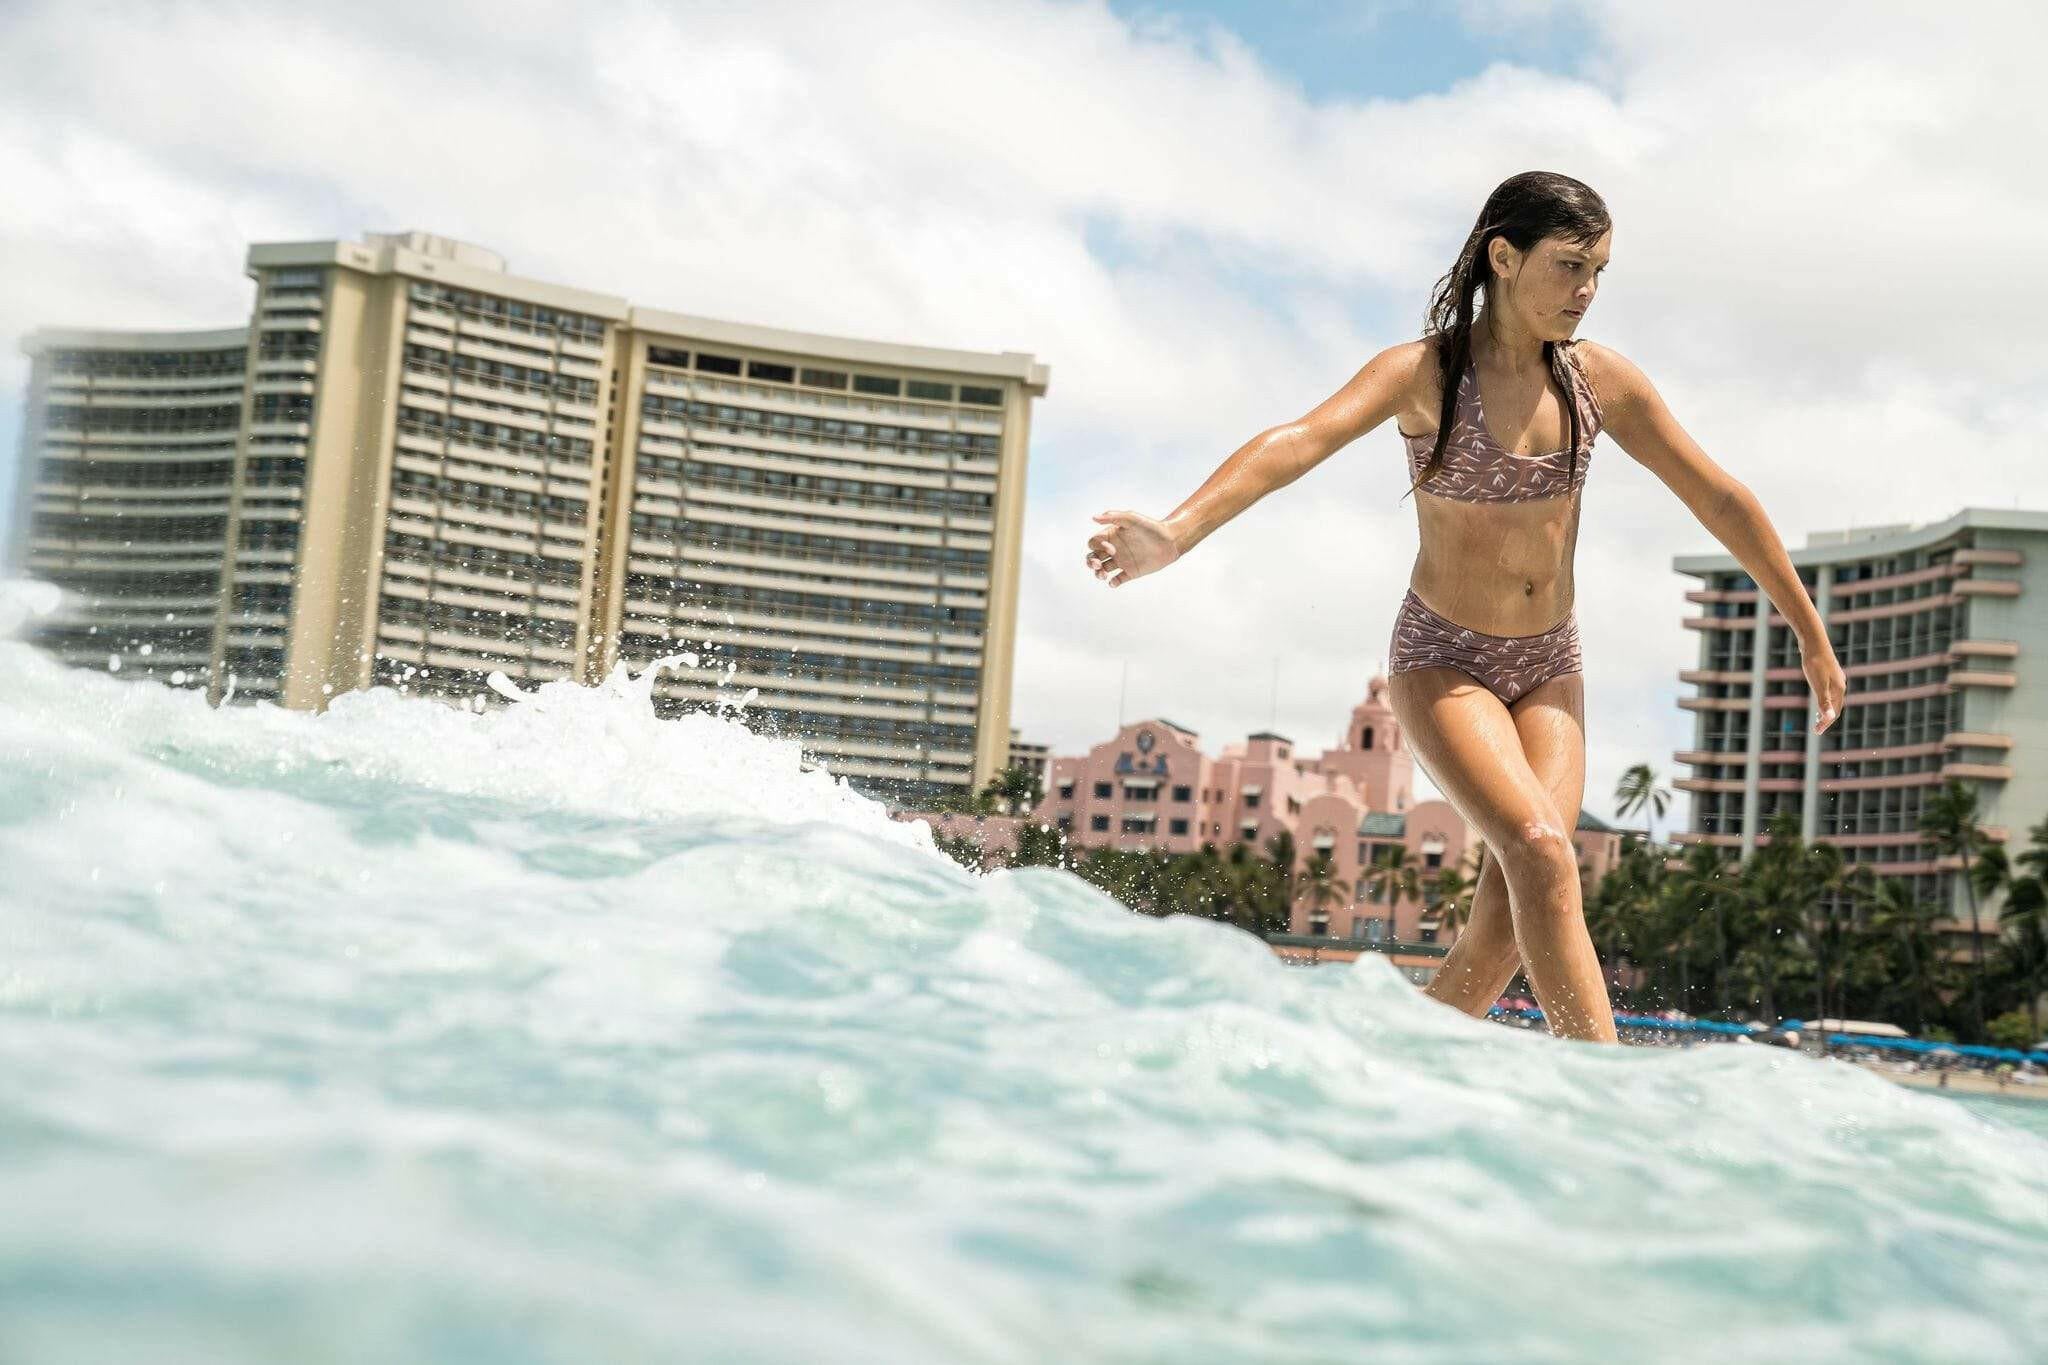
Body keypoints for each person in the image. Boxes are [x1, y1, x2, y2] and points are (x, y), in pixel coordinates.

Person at [1082, 171, 1846, 1045]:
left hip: (1551, 666)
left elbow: (1720, 498)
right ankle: (1602, 1103)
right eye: (1569, 266)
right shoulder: (1427, 375)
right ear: (1504, 258)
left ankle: (1387, 1080)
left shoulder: (1598, 383)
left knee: (1502, 928)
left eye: (1599, 270)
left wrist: (1807, 630)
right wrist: (1178, 531)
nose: (1586, 290)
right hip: (1445, 659)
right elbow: (1298, 442)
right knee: (1544, 850)